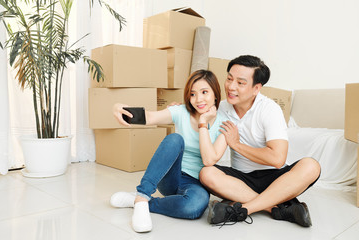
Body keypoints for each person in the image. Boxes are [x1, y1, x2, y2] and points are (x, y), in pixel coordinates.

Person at [199, 55, 321, 227]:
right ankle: (276, 208)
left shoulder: (269, 109)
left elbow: (277, 159)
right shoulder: (222, 108)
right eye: (229, 79)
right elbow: (196, 112)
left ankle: (243, 209)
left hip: (276, 179)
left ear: (256, 88)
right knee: (206, 173)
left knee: (311, 166)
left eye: (240, 83)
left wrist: (236, 145)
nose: (231, 87)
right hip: (240, 181)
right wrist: (178, 109)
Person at [110, 70, 228, 233]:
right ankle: (142, 196)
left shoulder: (224, 125)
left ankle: (140, 202)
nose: (198, 99)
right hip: (171, 177)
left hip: (197, 183)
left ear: (216, 94)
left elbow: (209, 160)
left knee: (195, 207)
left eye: (204, 92)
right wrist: (118, 107)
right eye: (192, 94)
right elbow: (149, 117)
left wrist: (203, 123)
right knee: (175, 139)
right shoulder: (181, 112)